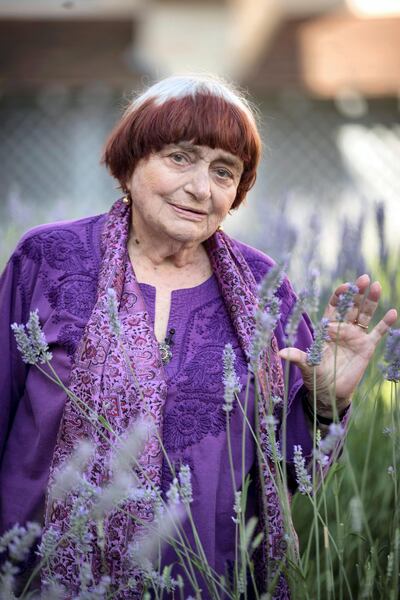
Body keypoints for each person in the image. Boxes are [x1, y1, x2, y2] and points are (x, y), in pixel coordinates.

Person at [0, 74, 396, 599]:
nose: (201, 188)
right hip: (40, 577)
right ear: (132, 158)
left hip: (209, 580)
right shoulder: (48, 260)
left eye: (224, 171)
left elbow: (295, 473)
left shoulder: (264, 289)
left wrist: (326, 405)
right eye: (180, 157)